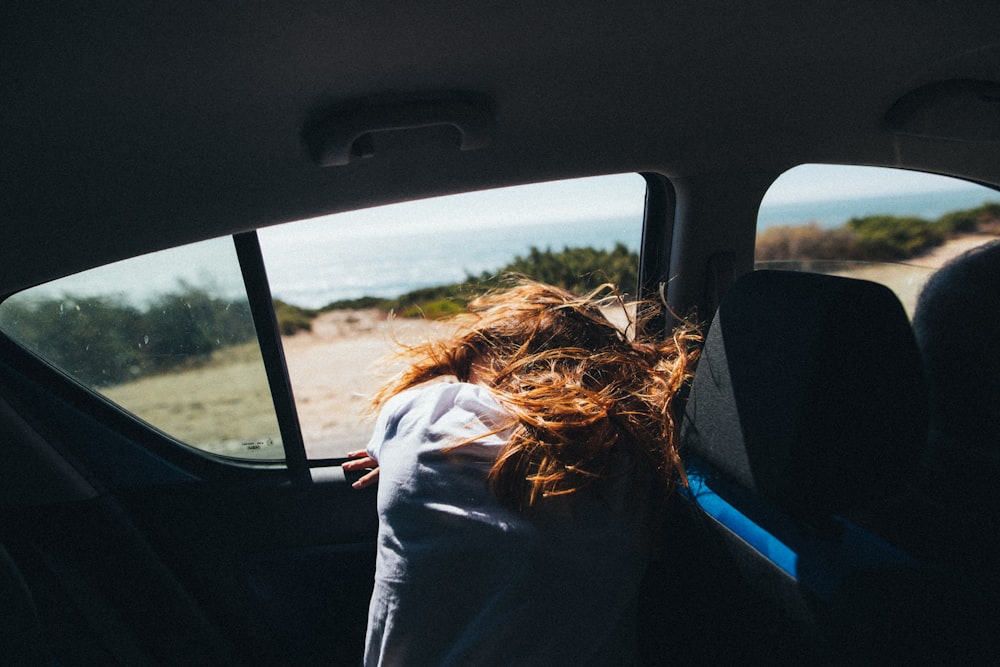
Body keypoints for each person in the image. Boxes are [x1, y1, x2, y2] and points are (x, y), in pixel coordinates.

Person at [342, 278, 699, 666]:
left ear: (493, 355)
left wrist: (392, 460)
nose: (464, 383)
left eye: (466, 370)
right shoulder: (637, 455)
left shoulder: (425, 414)